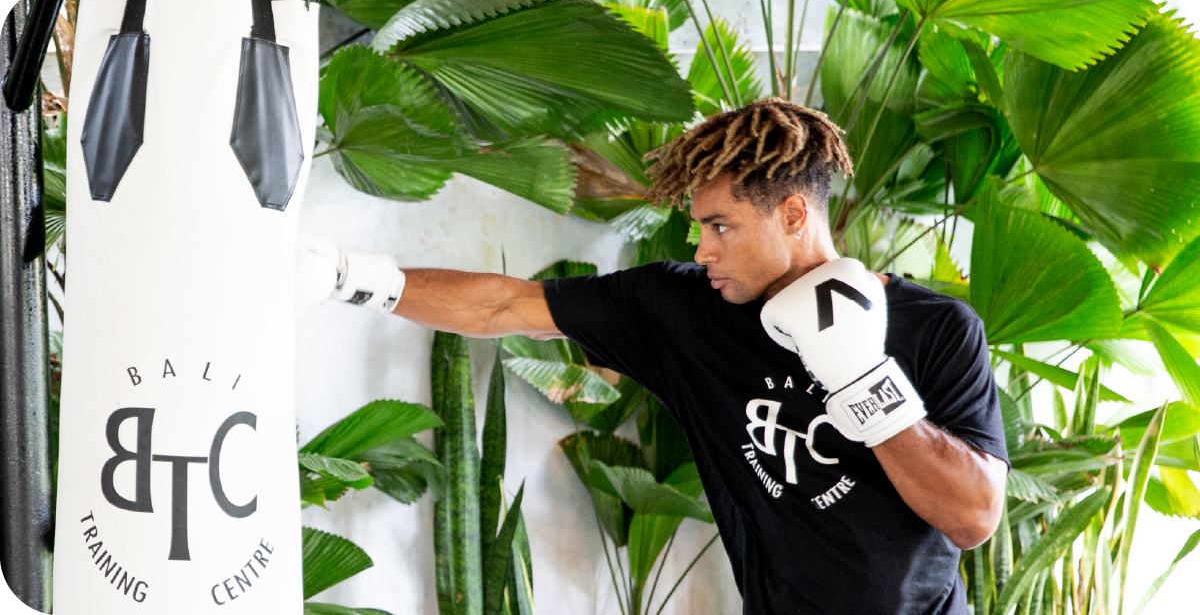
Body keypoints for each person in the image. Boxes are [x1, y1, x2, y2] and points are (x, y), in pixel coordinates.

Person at [296, 98, 1010, 615]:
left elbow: (974, 518)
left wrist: (863, 380)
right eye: (699, 228)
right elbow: (504, 306)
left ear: (793, 214)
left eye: (721, 226)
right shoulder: (685, 310)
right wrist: (345, 276)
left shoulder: (936, 329)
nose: (702, 249)